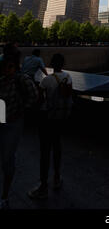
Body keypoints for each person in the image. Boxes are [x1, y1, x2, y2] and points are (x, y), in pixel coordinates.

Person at [28, 54, 72, 200]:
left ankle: (43, 186)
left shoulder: (46, 80)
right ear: (63, 63)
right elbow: (68, 96)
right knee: (57, 146)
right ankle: (57, 177)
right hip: (60, 117)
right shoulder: (68, 77)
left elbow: (39, 100)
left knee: (45, 151)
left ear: (52, 64)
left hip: (47, 118)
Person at [0, 51, 38, 209]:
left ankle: (4, 196)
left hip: (12, 124)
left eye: (10, 67)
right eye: (4, 67)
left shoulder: (22, 80)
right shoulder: (1, 79)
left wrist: (21, 110)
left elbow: (34, 96)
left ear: (15, 68)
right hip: (1, 120)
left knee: (7, 160)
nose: (7, 70)